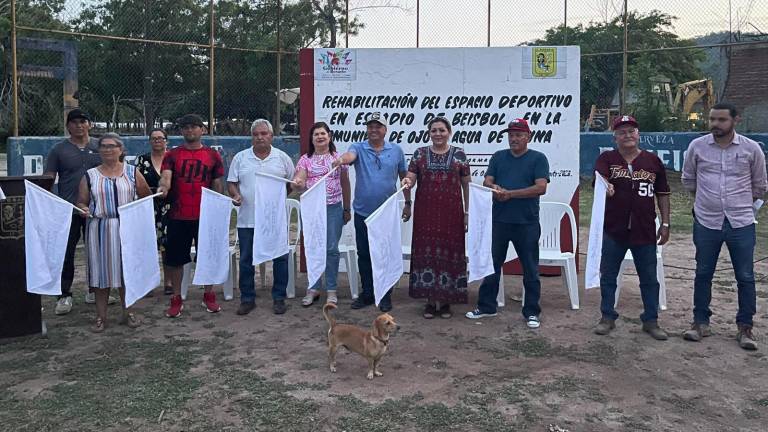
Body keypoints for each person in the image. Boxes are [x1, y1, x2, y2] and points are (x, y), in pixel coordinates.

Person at [681, 103, 767, 350]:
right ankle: (700, 323)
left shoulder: (751, 149)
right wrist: (707, 202)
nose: (715, 124)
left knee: (745, 275)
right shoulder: (697, 147)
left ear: (735, 120)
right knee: (703, 272)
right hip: (707, 221)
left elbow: (760, 185)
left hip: (741, 222)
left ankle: (745, 327)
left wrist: (740, 204)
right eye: (712, 119)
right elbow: (689, 180)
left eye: (721, 120)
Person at [465, 118, 549, 329]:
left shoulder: (538, 158)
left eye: (519, 135)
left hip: (527, 223)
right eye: (511, 135)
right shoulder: (498, 156)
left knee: (530, 269)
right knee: (492, 265)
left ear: (528, 137)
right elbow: (487, 180)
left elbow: (541, 187)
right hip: (499, 221)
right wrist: (494, 188)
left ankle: (532, 312)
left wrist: (510, 194)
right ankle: (487, 306)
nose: (514, 139)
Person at [592, 115, 671, 340]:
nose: (627, 135)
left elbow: (663, 193)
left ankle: (651, 320)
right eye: (622, 132)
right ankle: (607, 317)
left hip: (644, 229)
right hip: (614, 228)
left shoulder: (652, 161)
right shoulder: (607, 158)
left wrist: (665, 223)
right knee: (608, 275)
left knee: (649, 278)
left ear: (638, 134)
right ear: (615, 137)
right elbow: (599, 179)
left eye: (631, 131)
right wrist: (605, 186)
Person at [333, 112, 410, 312]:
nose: (374, 130)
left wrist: (408, 202)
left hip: (386, 214)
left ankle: (385, 294)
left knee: (385, 254)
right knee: (364, 254)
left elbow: (404, 177)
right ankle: (367, 293)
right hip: (363, 212)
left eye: (378, 126)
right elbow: (350, 156)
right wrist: (341, 159)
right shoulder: (358, 147)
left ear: (385, 130)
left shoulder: (396, 150)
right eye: (370, 126)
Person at [75, 134, 152, 332]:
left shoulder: (132, 172)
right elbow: (81, 201)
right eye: (103, 146)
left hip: (127, 228)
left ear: (121, 149)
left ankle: (129, 313)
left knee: (127, 272)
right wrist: (83, 208)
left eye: (112, 146)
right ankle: (101, 317)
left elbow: (146, 196)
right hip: (99, 229)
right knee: (101, 275)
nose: (107, 150)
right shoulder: (90, 175)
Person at [44, 108, 116, 314]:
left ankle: (94, 291)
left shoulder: (101, 147)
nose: (79, 125)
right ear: (68, 126)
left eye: (83, 121)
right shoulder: (59, 150)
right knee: (66, 253)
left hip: (98, 209)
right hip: (69, 210)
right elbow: (48, 177)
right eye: (74, 122)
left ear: (89, 125)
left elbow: (113, 170)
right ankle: (64, 295)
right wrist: (44, 198)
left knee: (97, 252)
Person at [401, 117, 470, 319]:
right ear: (429, 133)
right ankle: (430, 302)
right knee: (426, 254)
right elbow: (411, 177)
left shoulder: (459, 154)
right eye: (434, 130)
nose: (438, 134)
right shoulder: (420, 154)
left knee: (450, 254)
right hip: (426, 214)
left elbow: (467, 185)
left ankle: (446, 301)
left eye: (441, 130)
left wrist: (467, 213)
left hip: (452, 214)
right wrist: (407, 181)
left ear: (449, 132)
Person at [157, 114, 225, 318]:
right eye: (186, 127)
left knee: (207, 256)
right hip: (178, 215)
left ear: (202, 130)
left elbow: (218, 184)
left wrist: (217, 208)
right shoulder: (172, 155)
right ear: (181, 131)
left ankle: (209, 294)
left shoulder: (213, 155)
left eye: (194, 126)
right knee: (176, 259)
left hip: (205, 216)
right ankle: (176, 298)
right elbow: (166, 177)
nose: (190, 130)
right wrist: (163, 187)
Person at [228, 119, 295, 315]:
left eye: (264, 133)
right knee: (246, 259)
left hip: (274, 221)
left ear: (271, 136)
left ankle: (279, 297)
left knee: (280, 258)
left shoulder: (282, 158)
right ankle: (247, 299)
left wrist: (278, 199)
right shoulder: (241, 158)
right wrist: (235, 195)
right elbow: (231, 182)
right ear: (251, 137)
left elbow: (291, 183)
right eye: (256, 134)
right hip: (247, 219)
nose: (260, 137)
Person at [292, 122, 351, 307]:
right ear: (312, 139)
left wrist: (347, 208)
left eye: (323, 133)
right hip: (312, 211)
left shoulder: (338, 158)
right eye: (316, 134)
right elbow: (300, 178)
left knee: (331, 249)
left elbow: (345, 183)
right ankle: (314, 288)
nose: (320, 137)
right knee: (313, 247)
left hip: (334, 208)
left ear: (329, 136)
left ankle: (331, 289)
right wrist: (298, 182)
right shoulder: (305, 159)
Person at [134, 128, 172, 296]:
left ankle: (169, 282)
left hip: (169, 207)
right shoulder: (141, 160)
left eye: (160, 138)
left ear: (166, 141)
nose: (157, 140)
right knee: (147, 245)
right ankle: (148, 283)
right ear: (149, 141)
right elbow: (134, 182)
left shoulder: (173, 158)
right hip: (147, 207)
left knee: (167, 246)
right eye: (154, 138)